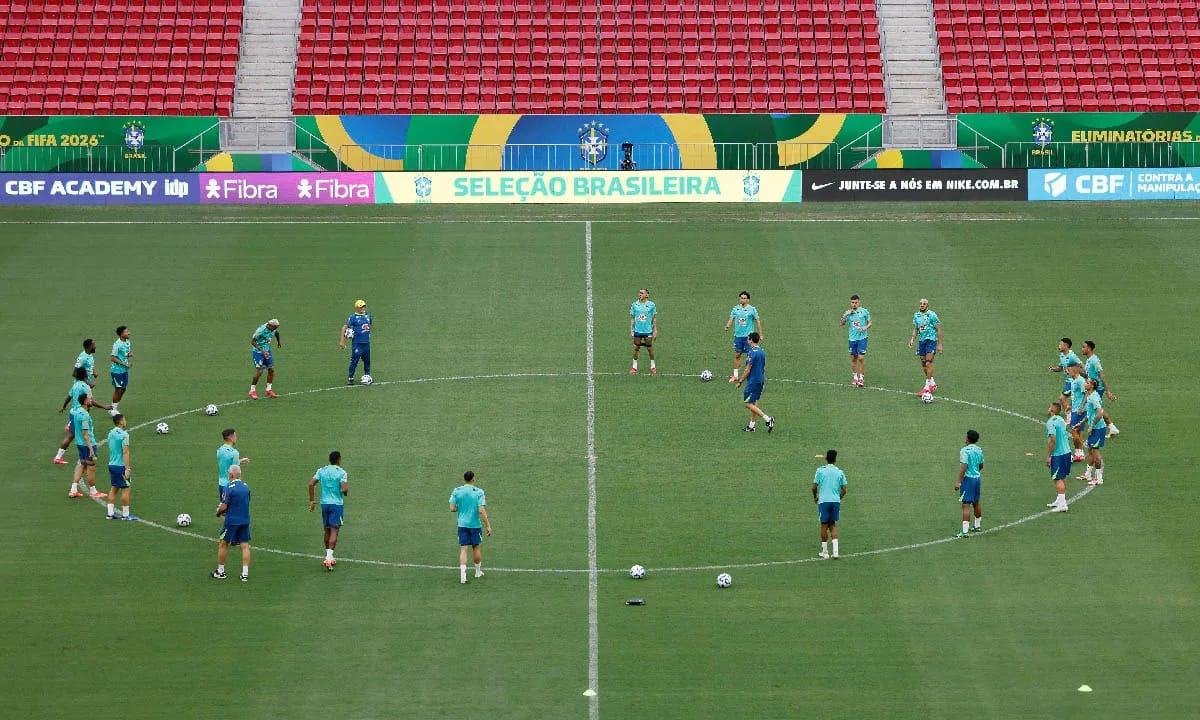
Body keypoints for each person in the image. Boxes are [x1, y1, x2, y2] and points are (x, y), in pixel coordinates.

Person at [54, 366, 110, 464]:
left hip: (73, 413)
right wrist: (104, 406)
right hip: (81, 414)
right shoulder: (86, 387)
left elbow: (68, 397)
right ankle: (59, 457)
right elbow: (91, 401)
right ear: (85, 375)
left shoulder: (75, 385)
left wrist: (64, 406)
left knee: (74, 434)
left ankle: (60, 456)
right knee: (76, 435)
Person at [449, 470, 492, 584]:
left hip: (462, 525)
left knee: (463, 549)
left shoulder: (457, 491)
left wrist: (461, 508)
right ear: (473, 479)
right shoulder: (479, 492)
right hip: (475, 525)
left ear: (464, 479)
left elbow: (452, 508)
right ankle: (477, 572)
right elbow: (481, 510)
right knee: (476, 547)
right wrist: (488, 526)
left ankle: (463, 576)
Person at [309, 451, 349, 570]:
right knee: (334, 530)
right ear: (339, 459)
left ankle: (330, 557)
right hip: (336, 504)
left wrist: (312, 500)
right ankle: (328, 558)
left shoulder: (322, 470)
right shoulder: (342, 472)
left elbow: (311, 484)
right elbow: (344, 489)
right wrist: (345, 491)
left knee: (327, 530)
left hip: (324, 504)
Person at [212, 464, 251, 582]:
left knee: (223, 544)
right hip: (245, 520)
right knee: (245, 546)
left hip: (231, 521)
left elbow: (224, 506)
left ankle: (221, 572)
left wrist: (218, 512)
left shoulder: (228, 487)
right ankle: (245, 574)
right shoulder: (246, 487)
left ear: (231, 475)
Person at [68, 393, 106, 499]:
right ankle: (93, 491)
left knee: (83, 465)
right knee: (91, 467)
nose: (91, 400)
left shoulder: (77, 411)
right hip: (87, 444)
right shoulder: (84, 415)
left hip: (79, 443)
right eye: (89, 399)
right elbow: (85, 434)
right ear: (85, 401)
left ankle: (73, 490)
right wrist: (91, 449)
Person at [735, 332, 774, 433]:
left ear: (751, 340)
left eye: (748, 339)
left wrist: (740, 381)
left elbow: (747, 370)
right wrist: (763, 381)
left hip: (753, 382)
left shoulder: (752, 353)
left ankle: (768, 419)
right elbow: (763, 368)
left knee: (747, 403)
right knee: (754, 402)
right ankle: (752, 426)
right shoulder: (762, 351)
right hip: (760, 381)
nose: (747, 340)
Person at [812, 449, 847, 559]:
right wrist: (838, 498)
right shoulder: (839, 472)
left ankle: (825, 552)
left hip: (824, 501)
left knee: (824, 525)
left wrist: (815, 497)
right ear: (835, 459)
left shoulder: (820, 470)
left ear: (826, 458)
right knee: (832, 525)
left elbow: (814, 487)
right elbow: (844, 489)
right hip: (835, 501)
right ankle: (835, 552)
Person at [1080, 340, 1119, 438]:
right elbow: (1088, 375)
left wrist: (1107, 391)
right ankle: (1112, 427)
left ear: (1089, 348)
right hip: (1091, 387)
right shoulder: (1089, 360)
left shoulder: (1094, 360)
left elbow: (1101, 376)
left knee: (1097, 409)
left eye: (1084, 347)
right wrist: (1077, 372)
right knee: (1096, 408)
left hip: (1097, 388)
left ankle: (1107, 427)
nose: (1082, 349)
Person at [724, 291, 763, 383]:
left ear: (748, 300)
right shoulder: (736, 308)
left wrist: (761, 334)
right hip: (738, 336)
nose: (742, 300)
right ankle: (735, 376)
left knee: (751, 356)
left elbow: (758, 321)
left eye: (744, 298)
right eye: (741, 298)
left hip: (748, 337)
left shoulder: (752, 309)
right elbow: (731, 318)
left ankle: (753, 374)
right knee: (737, 355)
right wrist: (727, 325)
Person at [105, 413, 137, 521]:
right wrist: (127, 469)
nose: (125, 421)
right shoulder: (124, 435)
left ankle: (110, 514)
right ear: (121, 422)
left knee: (114, 488)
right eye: (124, 419)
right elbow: (125, 452)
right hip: (120, 466)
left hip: (112, 464)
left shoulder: (111, 433)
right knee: (126, 489)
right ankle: (125, 515)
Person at [908, 298, 943, 394]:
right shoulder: (916, 315)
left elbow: (939, 329)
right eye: (921, 303)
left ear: (927, 305)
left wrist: (940, 344)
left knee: (928, 363)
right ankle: (932, 383)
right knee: (923, 364)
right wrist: (912, 339)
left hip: (931, 340)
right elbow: (916, 328)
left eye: (924, 304)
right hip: (921, 341)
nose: (922, 305)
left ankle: (927, 387)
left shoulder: (932, 315)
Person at [954, 429, 984, 538]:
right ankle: (977, 526)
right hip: (977, 479)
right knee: (976, 502)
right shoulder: (979, 450)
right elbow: (981, 465)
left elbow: (963, 467)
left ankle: (965, 532)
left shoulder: (964, 450)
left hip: (968, 480)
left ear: (967, 438)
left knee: (966, 505)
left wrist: (958, 482)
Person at [1080, 377, 1108, 486]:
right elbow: (1090, 414)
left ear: (1091, 386)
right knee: (1091, 450)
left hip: (1098, 429)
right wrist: (1081, 423)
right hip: (1095, 428)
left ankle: (1099, 478)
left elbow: (1100, 413)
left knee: (1096, 453)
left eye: (1087, 383)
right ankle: (1088, 474)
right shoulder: (1091, 395)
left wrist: (1092, 426)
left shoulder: (1093, 398)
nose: (1085, 384)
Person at [1045, 401, 1072, 513]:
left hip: (1058, 455)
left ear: (1052, 410)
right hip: (1067, 452)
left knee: (1057, 478)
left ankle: (1062, 505)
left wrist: (1049, 456)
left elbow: (1053, 440)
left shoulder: (1050, 422)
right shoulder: (1061, 420)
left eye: (1049, 408)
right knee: (1062, 476)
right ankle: (1059, 500)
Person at [840, 294, 872, 387]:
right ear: (850, 303)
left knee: (861, 357)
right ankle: (855, 377)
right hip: (852, 339)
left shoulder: (864, 311)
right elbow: (842, 323)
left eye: (856, 302)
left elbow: (870, 322)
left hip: (862, 339)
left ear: (859, 302)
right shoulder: (848, 313)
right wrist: (845, 315)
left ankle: (861, 378)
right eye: (852, 302)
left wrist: (865, 327)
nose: (854, 304)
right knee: (854, 358)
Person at [340, 300, 373, 385]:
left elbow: (370, 325)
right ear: (357, 308)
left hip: (366, 343)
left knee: (367, 361)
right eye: (361, 307)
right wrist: (342, 341)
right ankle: (350, 378)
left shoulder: (368, 315)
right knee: (354, 361)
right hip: (357, 344)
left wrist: (368, 334)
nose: (363, 308)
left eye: (364, 306)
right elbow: (344, 328)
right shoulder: (353, 317)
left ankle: (367, 376)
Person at [249, 318, 281, 400]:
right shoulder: (260, 331)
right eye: (275, 327)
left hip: (267, 351)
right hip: (258, 352)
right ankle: (252, 391)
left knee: (271, 369)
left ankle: (269, 389)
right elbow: (252, 342)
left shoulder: (273, 329)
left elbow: (277, 333)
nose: (275, 329)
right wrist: (262, 351)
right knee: (260, 371)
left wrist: (278, 342)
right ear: (270, 326)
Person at [217, 428, 251, 503]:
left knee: (224, 506)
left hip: (221, 484)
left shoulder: (219, 450)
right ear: (231, 437)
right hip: (231, 486)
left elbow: (225, 462)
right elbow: (235, 472)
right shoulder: (234, 453)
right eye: (235, 436)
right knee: (233, 507)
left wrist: (240, 461)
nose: (236, 438)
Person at [629, 288, 657, 375]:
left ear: (646, 295)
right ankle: (634, 367)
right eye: (639, 293)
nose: (640, 294)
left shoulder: (651, 305)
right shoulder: (635, 304)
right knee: (636, 348)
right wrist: (631, 330)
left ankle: (653, 367)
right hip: (637, 330)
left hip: (648, 331)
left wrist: (655, 330)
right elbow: (632, 318)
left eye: (642, 293)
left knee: (649, 348)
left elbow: (654, 318)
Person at [1065, 363, 1088, 461]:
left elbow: (1087, 393)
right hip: (1075, 409)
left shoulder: (1080, 380)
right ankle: (1078, 453)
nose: (1068, 372)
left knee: (1073, 430)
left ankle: (1081, 453)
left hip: (1079, 410)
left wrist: (1081, 407)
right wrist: (1070, 405)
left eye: (1069, 370)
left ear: (1074, 370)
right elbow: (1074, 395)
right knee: (1077, 431)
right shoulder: (1074, 380)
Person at [1047, 337, 1081, 405]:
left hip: (1073, 381)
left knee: (1062, 398)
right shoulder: (1062, 355)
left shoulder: (1072, 356)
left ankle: (1070, 412)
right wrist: (1053, 369)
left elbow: (1082, 365)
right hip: (1068, 381)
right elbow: (1061, 368)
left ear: (1066, 346)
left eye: (1060, 344)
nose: (1059, 346)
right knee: (1072, 401)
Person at [109, 325, 132, 416]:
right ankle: (113, 409)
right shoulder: (117, 344)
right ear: (121, 334)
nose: (129, 333)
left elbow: (124, 354)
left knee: (123, 389)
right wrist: (125, 364)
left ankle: (114, 406)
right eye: (127, 332)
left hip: (124, 370)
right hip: (117, 371)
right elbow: (113, 358)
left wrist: (129, 355)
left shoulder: (127, 342)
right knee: (118, 389)